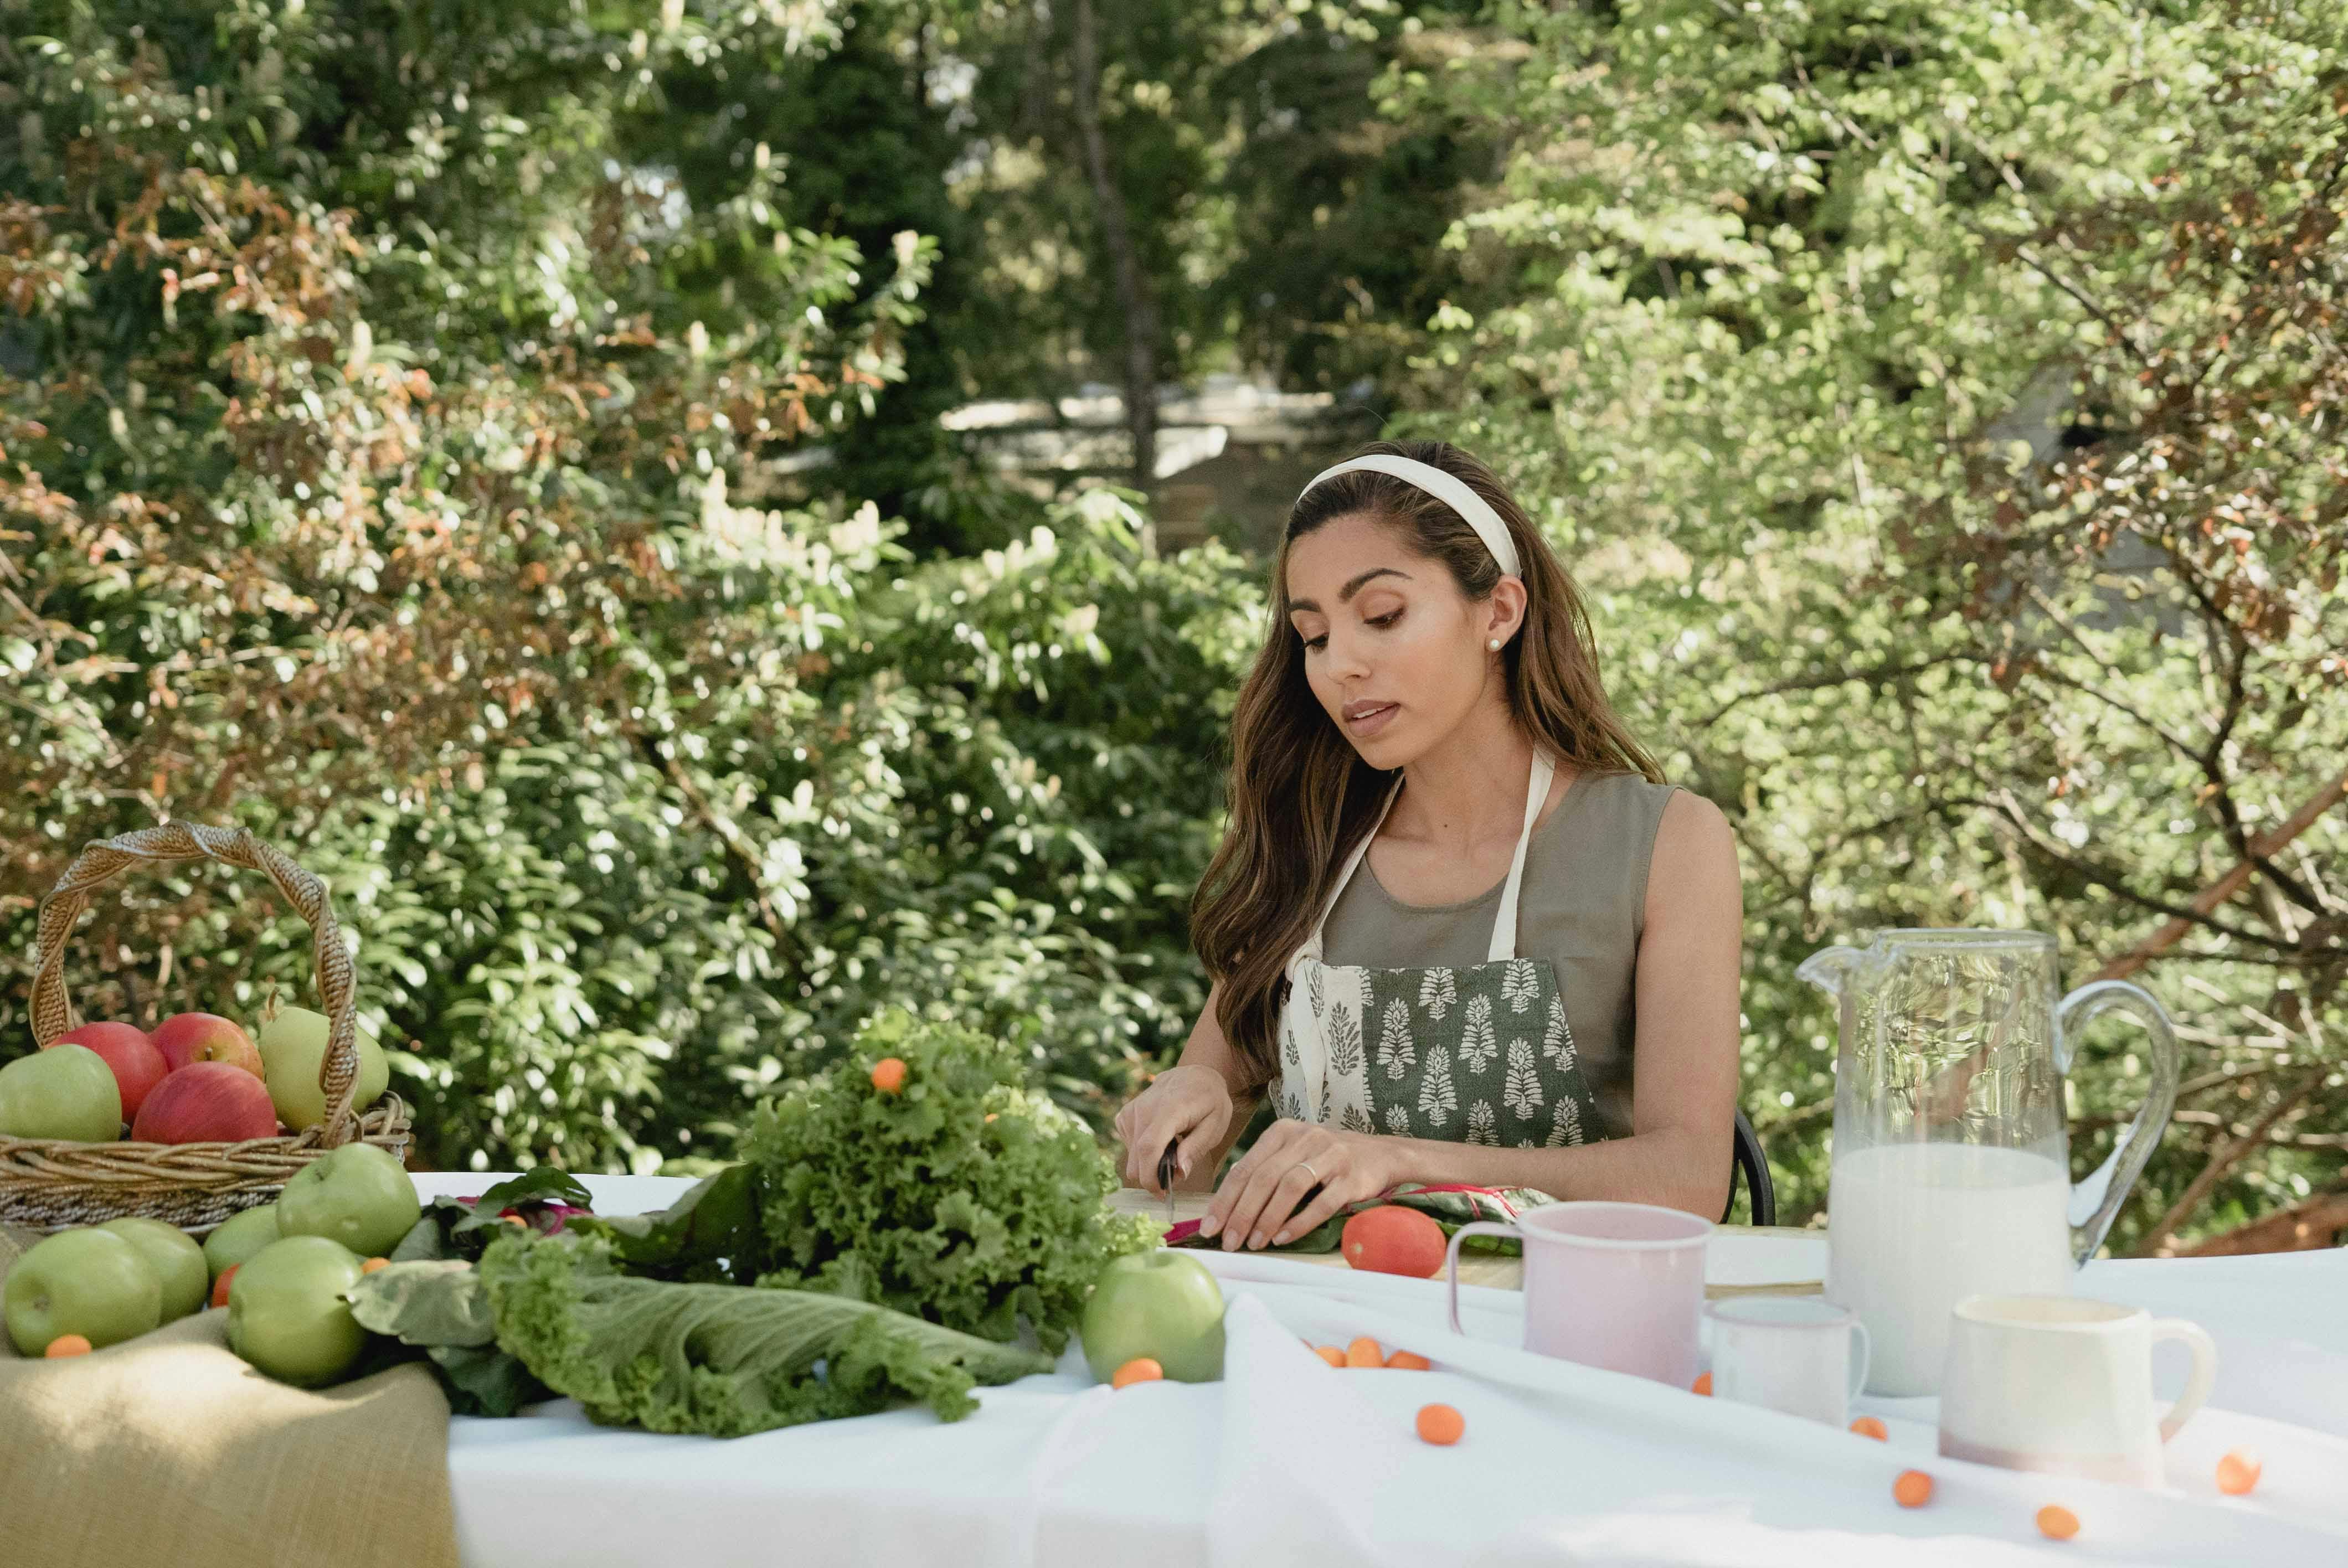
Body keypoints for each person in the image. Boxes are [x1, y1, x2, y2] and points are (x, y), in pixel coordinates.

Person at [1114, 439, 1743, 1252]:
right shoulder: (1309, 845)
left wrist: (1398, 1163)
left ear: (1499, 613)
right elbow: (1180, 1177)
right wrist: (1187, 1102)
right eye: (1314, 636)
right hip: (1320, 1316)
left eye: (1382, 616)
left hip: (1555, 1314)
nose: (1341, 665)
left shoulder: (1665, 844)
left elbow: (1689, 1178)